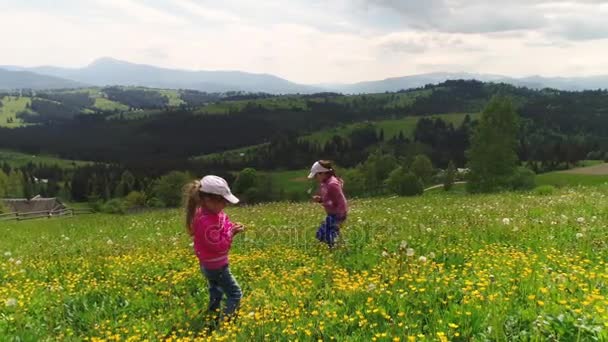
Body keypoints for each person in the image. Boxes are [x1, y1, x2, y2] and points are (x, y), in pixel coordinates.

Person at [184, 175, 244, 324]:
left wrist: (231, 227)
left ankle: (212, 314)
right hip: (216, 266)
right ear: (207, 200)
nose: (225, 204)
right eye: (222, 200)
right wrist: (232, 233)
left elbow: (224, 224)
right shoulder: (206, 222)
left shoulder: (213, 213)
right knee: (235, 294)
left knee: (216, 291)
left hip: (210, 265)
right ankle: (226, 324)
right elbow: (220, 246)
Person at [308, 160, 348, 247]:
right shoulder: (324, 183)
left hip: (338, 215)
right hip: (331, 214)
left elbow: (341, 200)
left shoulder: (332, 184)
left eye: (316, 175)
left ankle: (338, 248)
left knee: (329, 236)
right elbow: (330, 198)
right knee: (320, 235)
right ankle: (339, 246)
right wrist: (320, 200)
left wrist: (340, 218)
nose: (315, 178)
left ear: (322, 173)